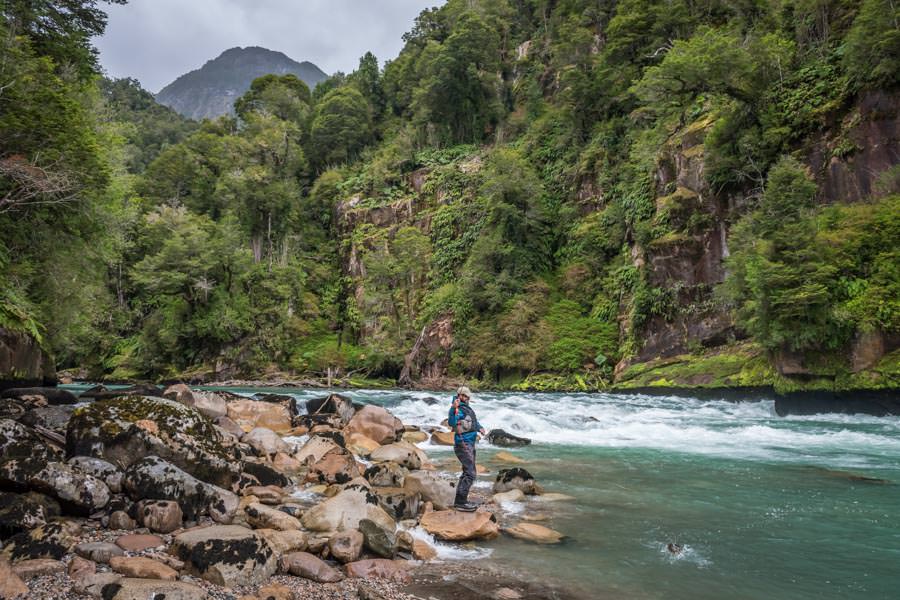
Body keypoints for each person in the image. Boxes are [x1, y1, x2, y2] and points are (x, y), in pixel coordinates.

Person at [448, 386, 486, 511]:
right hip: (463, 444)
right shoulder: (457, 409)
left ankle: (460, 500)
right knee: (470, 473)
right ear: (458, 395)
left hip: (470, 443)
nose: (465, 398)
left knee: (467, 472)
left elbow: (472, 421)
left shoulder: (467, 409)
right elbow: (452, 422)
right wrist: (453, 408)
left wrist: (480, 427)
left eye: (467, 396)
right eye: (463, 395)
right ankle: (460, 502)